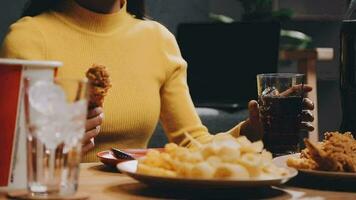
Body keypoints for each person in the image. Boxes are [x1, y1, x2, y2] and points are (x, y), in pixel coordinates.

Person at [0, 0, 314, 162]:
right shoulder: (29, 38)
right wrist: (50, 146)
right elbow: (11, 156)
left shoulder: (157, 39)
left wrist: (252, 131)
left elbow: (193, 144)